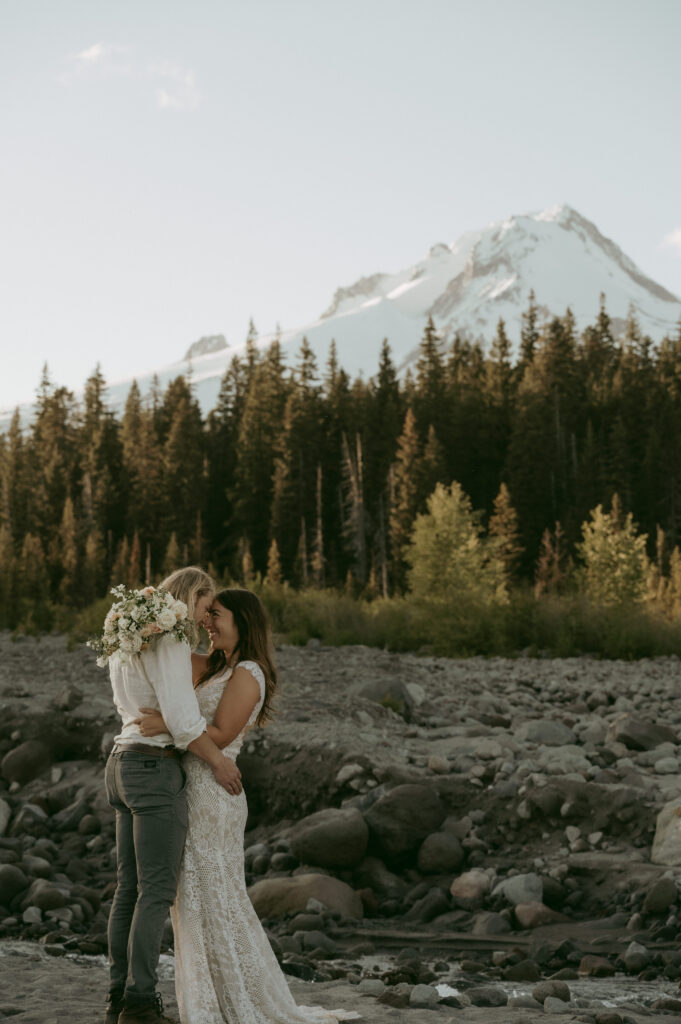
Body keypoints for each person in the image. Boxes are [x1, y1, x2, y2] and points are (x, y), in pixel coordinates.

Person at [136, 588, 359, 1024]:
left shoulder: (249, 672)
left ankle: (233, 1001)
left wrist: (166, 722)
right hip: (194, 788)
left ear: (243, 621)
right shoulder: (216, 666)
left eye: (216, 616)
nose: (209, 624)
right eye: (208, 616)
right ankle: (213, 998)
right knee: (197, 899)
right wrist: (147, 620)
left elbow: (219, 734)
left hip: (213, 793)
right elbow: (166, 656)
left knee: (215, 898)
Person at [104, 567, 243, 1024]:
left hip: (120, 762)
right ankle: (141, 1004)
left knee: (129, 890)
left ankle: (118, 996)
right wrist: (220, 762)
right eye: (207, 605)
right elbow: (184, 722)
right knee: (156, 891)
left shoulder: (134, 631)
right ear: (192, 595)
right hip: (151, 766)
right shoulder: (168, 636)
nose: (206, 617)